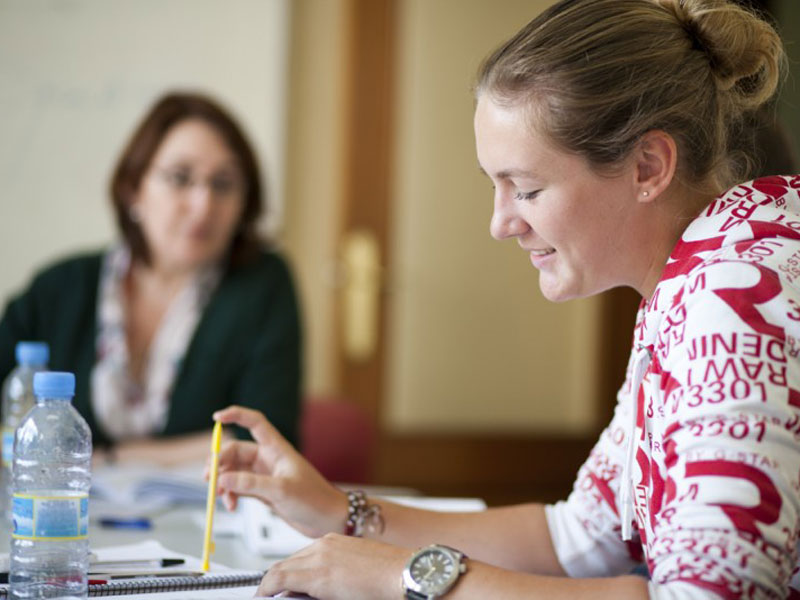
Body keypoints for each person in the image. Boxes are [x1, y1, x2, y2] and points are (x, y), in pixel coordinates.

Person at [212, 0, 800, 597]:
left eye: (526, 188)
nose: (500, 223)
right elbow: (577, 538)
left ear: (648, 165)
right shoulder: (700, 278)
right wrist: (343, 512)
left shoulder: (731, 302)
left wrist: (404, 577)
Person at [0, 92, 302, 465]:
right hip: (52, 514)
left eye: (223, 184)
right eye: (180, 178)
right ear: (133, 189)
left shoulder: (262, 286)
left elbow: (267, 443)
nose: (203, 204)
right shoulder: (59, 288)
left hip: (208, 522)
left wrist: (113, 458)